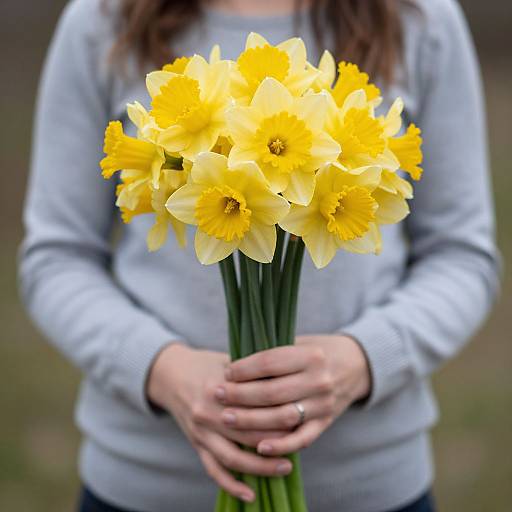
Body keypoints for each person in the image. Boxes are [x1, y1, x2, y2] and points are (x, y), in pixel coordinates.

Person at [19, 0, 500, 510]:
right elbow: (55, 257)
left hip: (371, 486)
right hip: (144, 483)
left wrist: (364, 359)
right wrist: (160, 370)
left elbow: (462, 255)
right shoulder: (102, 18)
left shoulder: (419, 17)